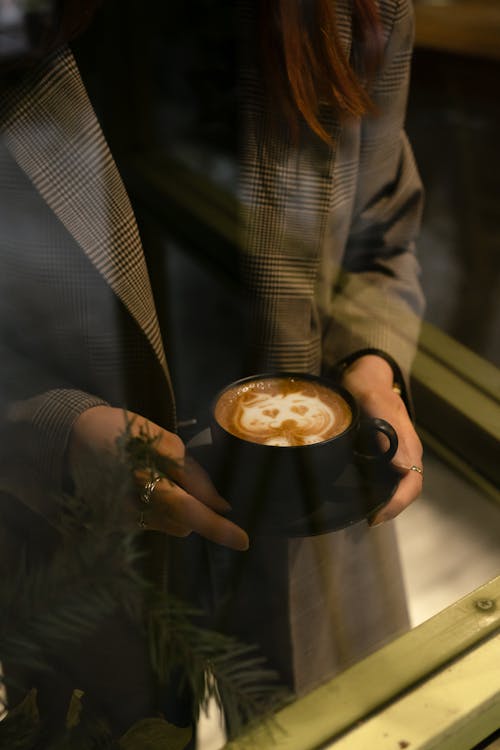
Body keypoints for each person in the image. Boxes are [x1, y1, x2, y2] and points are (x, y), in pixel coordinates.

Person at [0, 0, 424, 737]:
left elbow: (380, 236)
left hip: (314, 517)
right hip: (73, 540)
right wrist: (52, 428)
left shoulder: (357, 11)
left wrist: (372, 364)